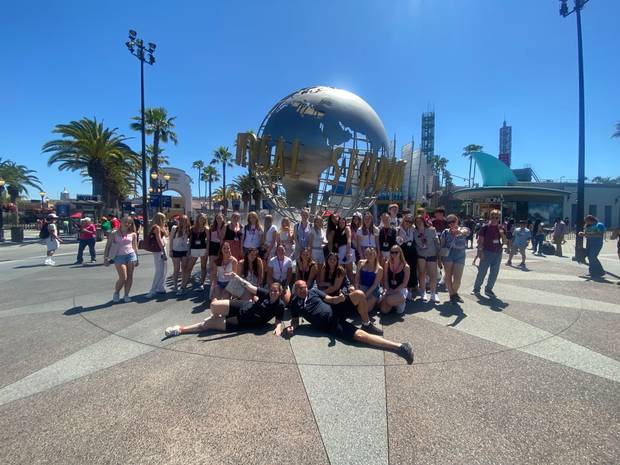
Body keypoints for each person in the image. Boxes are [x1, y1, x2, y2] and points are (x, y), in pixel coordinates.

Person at [285, 281, 412, 362]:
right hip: (331, 325)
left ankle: (366, 324)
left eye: (305, 287)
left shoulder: (313, 291)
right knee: (360, 336)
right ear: (295, 290)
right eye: (300, 288)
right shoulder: (295, 304)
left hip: (336, 309)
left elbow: (330, 299)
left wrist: (339, 299)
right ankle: (400, 346)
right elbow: (295, 320)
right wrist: (293, 327)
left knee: (359, 294)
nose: (304, 290)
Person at [165, 278, 286, 337]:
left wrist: (278, 328)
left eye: (276, 291)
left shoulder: (280, 305)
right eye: (272, 290)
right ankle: (217, 315)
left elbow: (278, 320)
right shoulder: (265, 293)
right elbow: (249, 286)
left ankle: (180, 330)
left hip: (243, 322)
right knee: (214, 305)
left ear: (280, 292)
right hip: (242, 306)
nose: (273, 292)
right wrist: (238, 277)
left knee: (206, 325)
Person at [103, 216, 139, 303]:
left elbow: (135, 247)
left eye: (129, 223)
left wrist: (137, 258)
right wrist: (105, 258)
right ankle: (116, 292)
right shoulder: (114, 233)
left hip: (131, 255)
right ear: (121, 222)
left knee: (130, 277)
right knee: (123, 277)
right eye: (125, 222)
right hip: (119, 257)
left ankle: (126, 295)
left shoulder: (133, 234)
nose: (127, 224)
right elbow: (108, 246)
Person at [472, 209, 506, 297]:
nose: (494, 219)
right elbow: (480, 241)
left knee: (494, 272)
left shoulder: (501, 227)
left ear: (499, 218)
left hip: (498, 252)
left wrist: (502, 233)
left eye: (496, 217)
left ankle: (488, 289)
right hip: (486, 251)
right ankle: (476, 289)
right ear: (490, 217)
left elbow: (505, 241)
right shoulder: (485, 227)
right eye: (493, 217)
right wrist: (480, 252)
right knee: (482, 271)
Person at [439, 214, 469, 304]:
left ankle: (453, 294)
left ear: (457, 221)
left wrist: (460, 232)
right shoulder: (445, 232)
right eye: (449, 222)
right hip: (448, 255)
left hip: (460, 255)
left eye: (453, 221)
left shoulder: (464, 229)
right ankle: (453, 295)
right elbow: (442, 245)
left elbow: (466, 232)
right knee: (448, 276)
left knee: (457, 280)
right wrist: (439, 259)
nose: (451, 224)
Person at [413, 215, 439, 302]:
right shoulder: (414, 232)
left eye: (420, 221)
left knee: (433, 275)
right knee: (422, 274)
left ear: (424, 221)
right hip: (421, 255)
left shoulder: (432, 230)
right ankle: (423, 292)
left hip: (431, 255)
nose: (419, 223)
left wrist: (438, 256)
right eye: (417, 221)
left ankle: (433, 294)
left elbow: (437, 242)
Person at [379, 245, 411, 313]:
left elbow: (404, 283)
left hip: (400, 290)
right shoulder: (387, 263)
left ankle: (401, 302)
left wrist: (393, 292)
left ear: (400, 253)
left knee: (388, 300)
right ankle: (393, 304)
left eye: (396, 252)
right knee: (384, 310)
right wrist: (387, 290)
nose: (394, 254)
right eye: (392, 252)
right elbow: (385, 279)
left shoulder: (406, 267)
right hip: (389, 288)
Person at [146, 212, 169, 298]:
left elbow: (166, 235)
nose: (165, 220)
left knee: (164, 269)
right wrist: (163, 252)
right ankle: (153, 290)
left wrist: (165, 227)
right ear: (161, 219)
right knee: (159, 270)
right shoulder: (157, 227)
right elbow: (159, 240)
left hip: (160, 249)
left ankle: (160, 287)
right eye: (164, 219)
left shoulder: (159, 227)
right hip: (159, 250)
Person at [354, 247, 383, 312]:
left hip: (373, 290)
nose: (368, 256)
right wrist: (357, 289)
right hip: (362, 287)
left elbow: (375, 285)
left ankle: (377, 300)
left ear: (375, 254)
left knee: (362, 310)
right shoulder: (360, 262)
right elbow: (357, 277)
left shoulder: (379, 269)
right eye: (366, 254)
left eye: (370, 254)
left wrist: (364, 295)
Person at [397, 214, 418, 301]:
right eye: (406, 221)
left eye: (410, 222)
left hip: (412, 251)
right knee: (402, 270)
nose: (408, 223)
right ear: (403, 220)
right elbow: (397, 242)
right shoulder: (398, 229)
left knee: (412, 270)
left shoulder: (413, 228)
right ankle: (402, 290)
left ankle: (410, 290)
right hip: (403, 251)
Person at [170, 215, 192, 295]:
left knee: (184, 269)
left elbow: (190, 241)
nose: (184, 222)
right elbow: (171, 240)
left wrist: (189, 251)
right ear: (179, 221)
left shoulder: (189, 229)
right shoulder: (174, 228)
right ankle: (175, 286)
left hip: (185, 251)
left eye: (185, 220)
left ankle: (182, 286)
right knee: (176, 269)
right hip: (175, 250)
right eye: (182, 220)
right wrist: (170, 250)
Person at [188, 213, 209, 290]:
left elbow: (208, 240)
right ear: (197, 219)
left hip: (203, 249)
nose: (202, 220)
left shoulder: (206, 229)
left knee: (203, 267)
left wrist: (207, 250)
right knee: (189, 266)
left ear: (205, 220)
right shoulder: (193, 228)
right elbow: (190, 240)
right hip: (194, 249)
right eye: (200, 218)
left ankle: (201, 283)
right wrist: (189, 250)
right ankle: (187, 279)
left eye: (203, 218)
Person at [334, 216, 354, 283]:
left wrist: (347, 252)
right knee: (341, 271)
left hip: (347, 249)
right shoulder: (338, 230)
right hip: (340, 251)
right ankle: (342, 285)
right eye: (340, 222)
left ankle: (353, 285)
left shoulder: (347, 228)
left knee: (349, 271)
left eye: (343, 222)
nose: (341, 223)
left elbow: (349, 240)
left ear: (345, 222)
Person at [208, 213, 226, 278]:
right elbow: (209, 238)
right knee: (211, 265)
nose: (219, 219)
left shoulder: (225, 226)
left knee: (217, 265)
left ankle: (217, 280)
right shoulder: (212, 226)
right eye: (217, 218)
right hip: (212, 246)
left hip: (220, 246)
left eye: (220, 218)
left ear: (223, 219)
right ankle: (211, 281)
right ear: (215, 219)